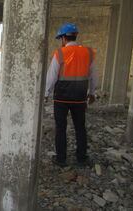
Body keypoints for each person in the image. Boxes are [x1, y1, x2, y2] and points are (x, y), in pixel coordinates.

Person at [45, 23, 98, 167]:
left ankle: (61, 159)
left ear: (63, 38)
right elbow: (94, 76)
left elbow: (51, 77)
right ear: (76, 36)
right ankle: (82, 158)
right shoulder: (88, 52)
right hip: (80, 99)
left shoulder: (60, 53)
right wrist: (92, 93)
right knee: (80, 128)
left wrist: (46, 93)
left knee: (61, 128)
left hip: (61, 98)